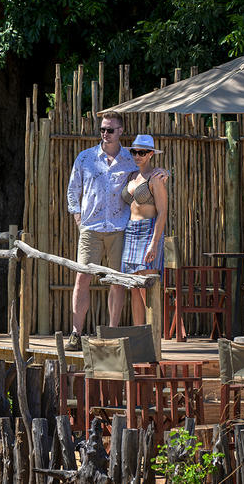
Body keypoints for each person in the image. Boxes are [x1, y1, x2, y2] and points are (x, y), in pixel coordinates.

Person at [65, 114, 167, 351]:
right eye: (102, 129)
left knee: (118, 282)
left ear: (121, 131)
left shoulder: (130, 160)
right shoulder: (86, 158)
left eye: (110, 130)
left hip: (120, 229)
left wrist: (165, 172)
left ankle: (112, 331)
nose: (105, 134)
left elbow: (149, 173)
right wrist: (78, 219)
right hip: (91, 228)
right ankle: (75, 334)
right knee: (82, 279)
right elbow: (73, 190)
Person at [118, 134, 169, 326]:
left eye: (142, 152)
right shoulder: (131, 176)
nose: (137, 155)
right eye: (134, 152)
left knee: (147, 287)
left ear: (150, 154)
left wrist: (154, 243)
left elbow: (163, 212)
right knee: (133, 287)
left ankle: (153, 336)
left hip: (148, 231)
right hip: (130, 231)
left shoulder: (156, 178)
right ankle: (139, 335)